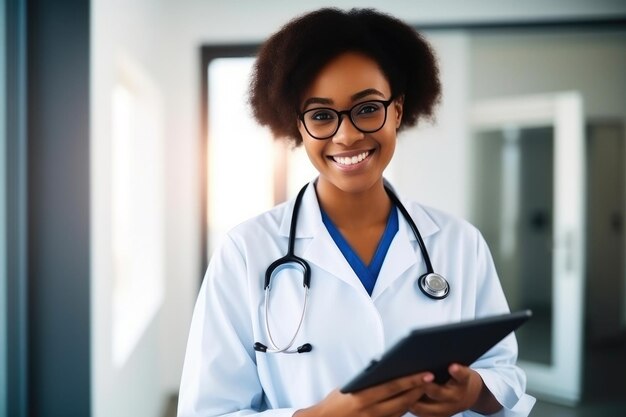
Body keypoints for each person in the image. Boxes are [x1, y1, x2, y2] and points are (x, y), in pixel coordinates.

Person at [178, 7, 535, 417]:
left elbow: (502, 373)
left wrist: (474, 391)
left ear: (397, 110)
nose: (346, 135)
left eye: (367, 108)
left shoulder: (459, 242)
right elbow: (208, 411)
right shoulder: (246, 251)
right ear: (299, 126)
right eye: (321, 116)